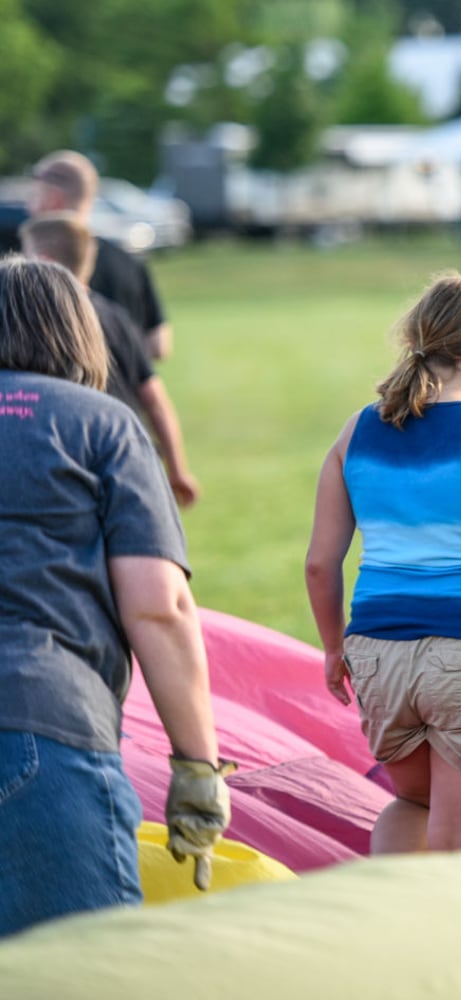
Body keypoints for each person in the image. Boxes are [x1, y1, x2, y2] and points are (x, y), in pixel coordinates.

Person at [0, 256, 228, 935]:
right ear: (80, 334)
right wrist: (197, 768)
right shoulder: (102, 424)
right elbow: (159, 605)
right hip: (41, 723)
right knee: (85, 970)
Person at [305, 273, 461, 854]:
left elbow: (320, 563)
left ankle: (387, 919)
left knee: (414, 803)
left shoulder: (357, 431)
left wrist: (335, 648)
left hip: (377, 653)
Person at [20, 212, 201, 507]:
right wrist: (178, 470)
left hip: (78, 466)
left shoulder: (36, 323)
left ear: (46, 261)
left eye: (26, 256)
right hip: (131, 460)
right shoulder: (116, 317)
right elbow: (154, 398)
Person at [28, 151, 174, 360]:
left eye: (34, 197)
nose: (29, 207)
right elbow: (159, 345)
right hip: (125, 391)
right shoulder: (130, 262)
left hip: (69, 390)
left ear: (53, 199)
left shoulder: (36, 267)